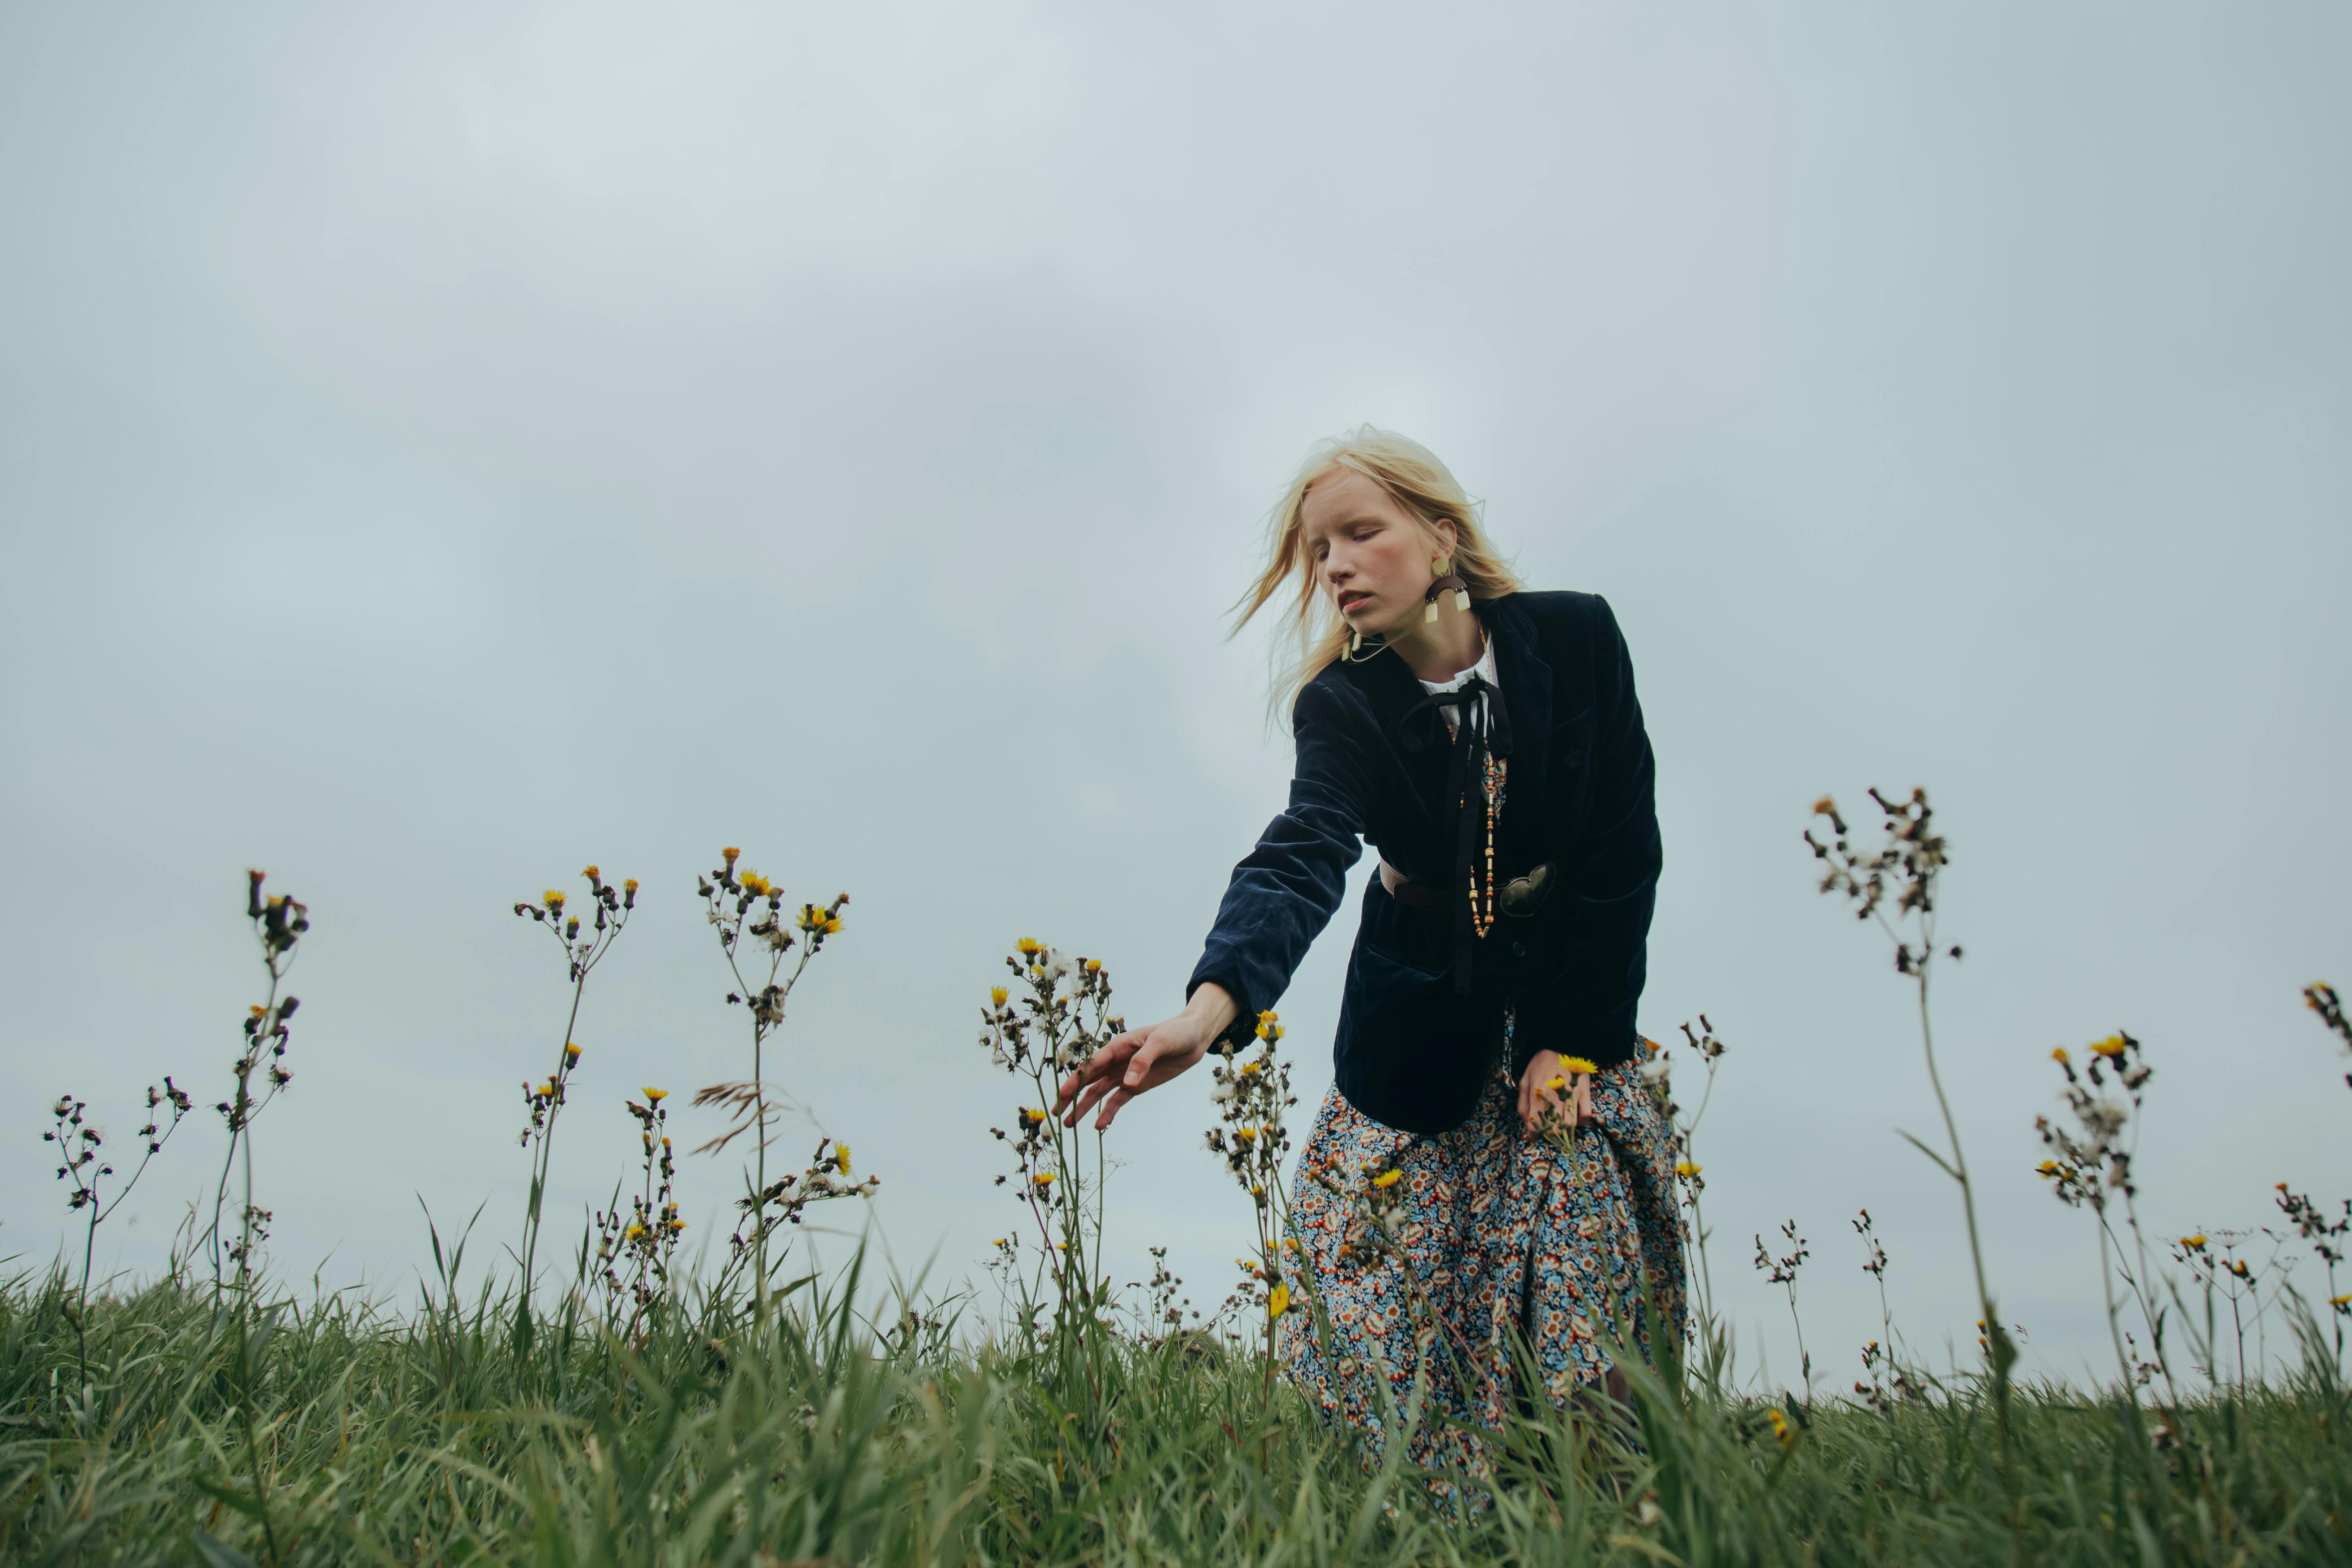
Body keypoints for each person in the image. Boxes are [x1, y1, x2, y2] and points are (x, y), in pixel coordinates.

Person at [1055, 426, 1684, 1471]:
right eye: (1318, 551)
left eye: (1360, 532)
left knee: (1584, 1279)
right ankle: (1409, 1514)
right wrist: (1211, 1011)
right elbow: (1302, 853)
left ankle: (1603, 1521)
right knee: (1393, 1311)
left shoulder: (1577, 639)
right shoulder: (1341, 706)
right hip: (1424, 1020)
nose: (1336, 565)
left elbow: (1624, 849)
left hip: (1569, 1006)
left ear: (1441, 536)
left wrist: (1570, 1040)